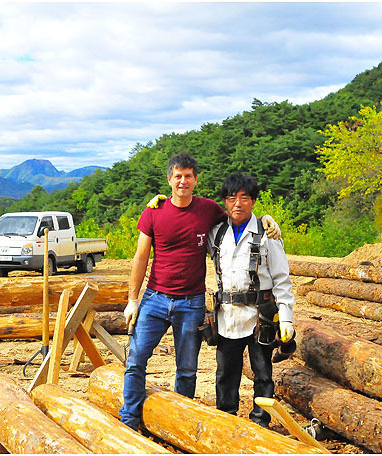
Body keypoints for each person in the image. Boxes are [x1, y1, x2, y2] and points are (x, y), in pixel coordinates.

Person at [119, 154, 280, 431]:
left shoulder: (208, 210)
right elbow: (140, 257)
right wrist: (133, 300)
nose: (183, 181)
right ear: (169, 179)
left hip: (191, 302)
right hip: (154, 298)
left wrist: (266, 218)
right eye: (177, 176)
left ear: (196, 180)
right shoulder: (153, 212)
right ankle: (129, 421)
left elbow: (238, 215)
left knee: (187, 369)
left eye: (188, 176)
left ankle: (178, 425)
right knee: (135, 360)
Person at [208, 172, 295, 427]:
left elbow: (281, 279)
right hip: (227, 316)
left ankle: (261, 422)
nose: (238, 203)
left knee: (263, 372)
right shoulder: (216, 234)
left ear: (254, 201)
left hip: (261, 315)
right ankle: (226, 420)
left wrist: (286, 318)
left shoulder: (268, 234)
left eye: (244, 197)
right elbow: (186, 222)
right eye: (232, 197)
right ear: (224, 201)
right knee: (225, 373)